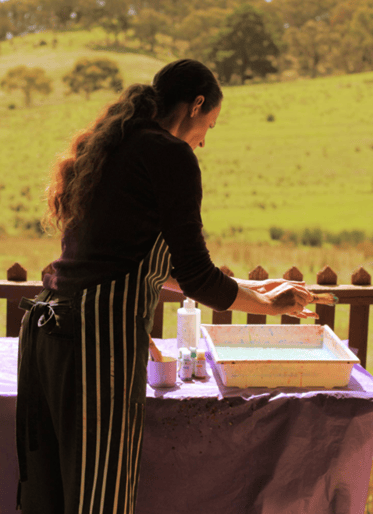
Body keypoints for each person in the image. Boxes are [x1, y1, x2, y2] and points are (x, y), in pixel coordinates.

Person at [16, 59, 317, 514]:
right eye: (209, 125)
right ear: (196, 105)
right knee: (99, 500)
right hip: (95, 344)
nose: (203, 140)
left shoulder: (115, 146)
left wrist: (248, 288)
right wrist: (269, 306)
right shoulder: (170, 155)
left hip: (49, 334)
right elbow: (196, 275)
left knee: (53, 497)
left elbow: (148, 262)